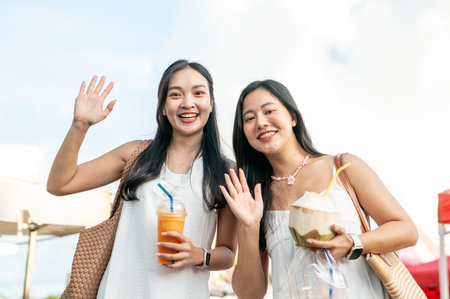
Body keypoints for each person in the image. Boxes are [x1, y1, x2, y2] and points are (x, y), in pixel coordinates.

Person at [47, 60, 237, 298]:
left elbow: (228, 252)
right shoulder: (135, 156)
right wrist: (80, 125)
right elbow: (59, 184)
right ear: (163, 107)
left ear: (210, 103)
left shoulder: (226, 171)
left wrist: (199, 255)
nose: (188, 103)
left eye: (198, 93)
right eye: (175, 94)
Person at [219, 79, 418, 299]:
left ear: (292, 117)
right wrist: (249, 226)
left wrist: (354, 243)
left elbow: (406, 230)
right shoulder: (254, 197)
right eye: (249, 118)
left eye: (269, 111)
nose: (261, 122)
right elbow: (249, 294)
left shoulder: (343, 168)